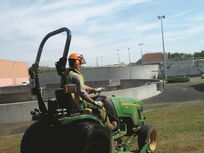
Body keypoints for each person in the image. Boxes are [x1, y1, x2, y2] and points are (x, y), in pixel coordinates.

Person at [66, 52, 117, 131]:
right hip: (80, 102)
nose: (80, 66)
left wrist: (94, 89)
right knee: (102, 105)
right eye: (80, 64)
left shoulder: (68, 74)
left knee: (102, 98)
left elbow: (81, 86)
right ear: (77, 62)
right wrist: (95, 103)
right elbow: (82, 93)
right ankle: (108, 127)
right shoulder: (75, 76)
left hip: (73, 101)